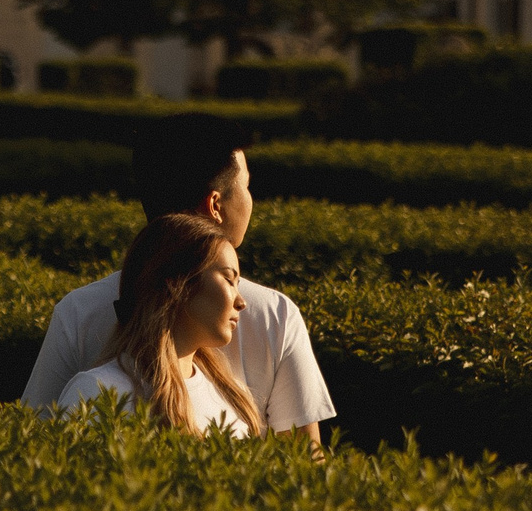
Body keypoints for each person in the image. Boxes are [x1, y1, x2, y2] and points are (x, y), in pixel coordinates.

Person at [21, 112, 334, 444]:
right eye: (247, 186)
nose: (238, 301)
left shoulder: (78, 311)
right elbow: (305, 460)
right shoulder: (275, 314)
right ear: (215, 204)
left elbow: (34, 440)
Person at [54, 212, 261, 436]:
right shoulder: (96, 393)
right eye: (229, 280)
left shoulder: (231, 395)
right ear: (176, 284)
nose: (241, 302)